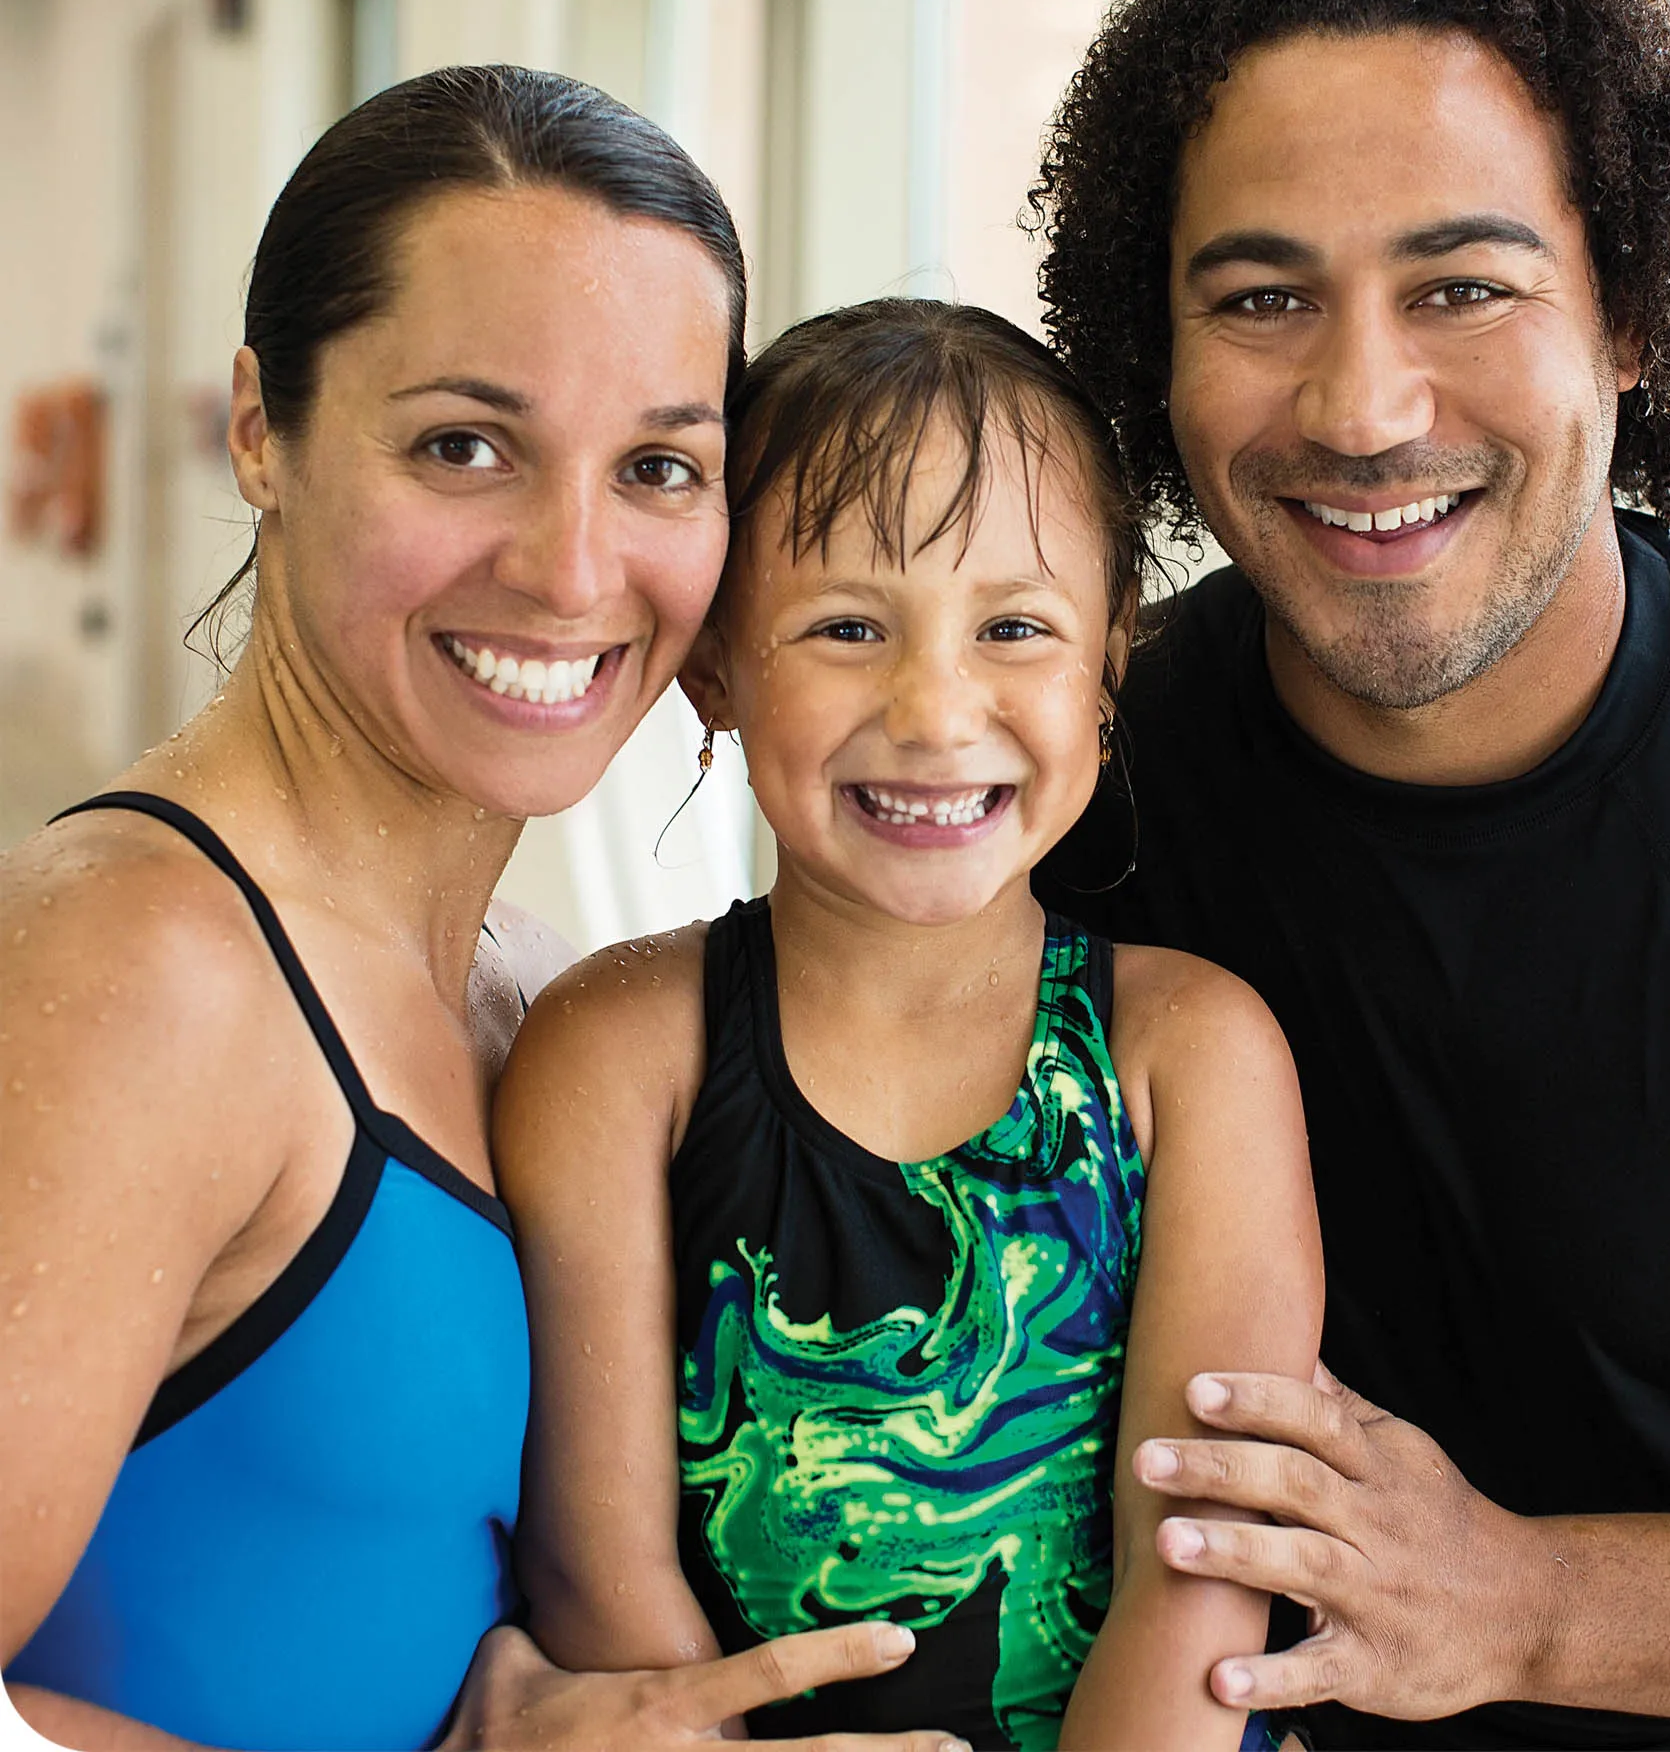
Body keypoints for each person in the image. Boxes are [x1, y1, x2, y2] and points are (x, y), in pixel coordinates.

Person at [1028, 0, 1670, 1752]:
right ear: (1155, 358)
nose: (1360, 406)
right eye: (1263, 296)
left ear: (1633, 316)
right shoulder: (1052, 788)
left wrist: (1518, 1603)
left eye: (1463, 284)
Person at [2, 66, 962, 1752]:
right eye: (465, 445)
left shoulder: (522, 989)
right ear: (260, 430)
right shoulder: (147, 969)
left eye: (660, 467)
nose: (574, 570)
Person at [491, 299, 1323, 1752]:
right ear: (716, 666)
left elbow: (1199, 1583)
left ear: (1110, 653)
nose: (937, 712)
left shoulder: (1188, 1059)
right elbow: (599, 1576)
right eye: (846, 627)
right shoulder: (620, 1057)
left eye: (1014, 627)